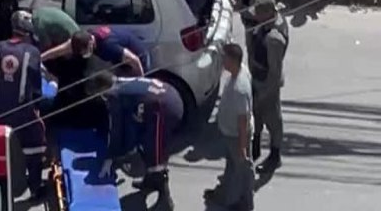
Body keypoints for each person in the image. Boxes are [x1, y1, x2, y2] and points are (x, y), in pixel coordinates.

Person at [0, 10, 48, 200]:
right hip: (22, 111)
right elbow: (36, 86)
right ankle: (36, 186)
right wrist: (37, 107)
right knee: (36, 143)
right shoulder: (32, 53)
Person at [96, 75, 184, 210]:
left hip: (164, 110)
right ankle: (150, 181)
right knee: (144, 145)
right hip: (167, 98)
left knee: (155, 156)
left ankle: (165, 200)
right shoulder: (122, 81)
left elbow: (117, 128)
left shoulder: (114, 95)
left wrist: (110, 156)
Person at [204, 43, 254, 211]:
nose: (222, 61)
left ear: (232, 60)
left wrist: (242, 147)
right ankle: (225, 194)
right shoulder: (240, 71)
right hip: (230, 133)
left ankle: (244, 203)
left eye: (224, 58)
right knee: (232, 167)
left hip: (237, 136)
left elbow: (243, 120)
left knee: (242, 170)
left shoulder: (239, 88)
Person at [248, 0, 288, 174]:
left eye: (257, 13)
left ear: (267, 14)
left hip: (267, 83)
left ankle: (275, 155)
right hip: (257, 78)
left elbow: (275, 72)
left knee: (273, 120)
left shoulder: (273, 39)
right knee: (256, 116)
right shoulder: (265, 25)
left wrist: (265, 93)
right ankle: (255, 147)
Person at [42, 26, 149, 77]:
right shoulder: (82, 38)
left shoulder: (108, 46)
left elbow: (134, 60)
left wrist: (142, 82)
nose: (83, 55)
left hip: (139, 60)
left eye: (84, 52)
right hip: (122, 60)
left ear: (90, 44)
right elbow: (60, 51)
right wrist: (40, 58)